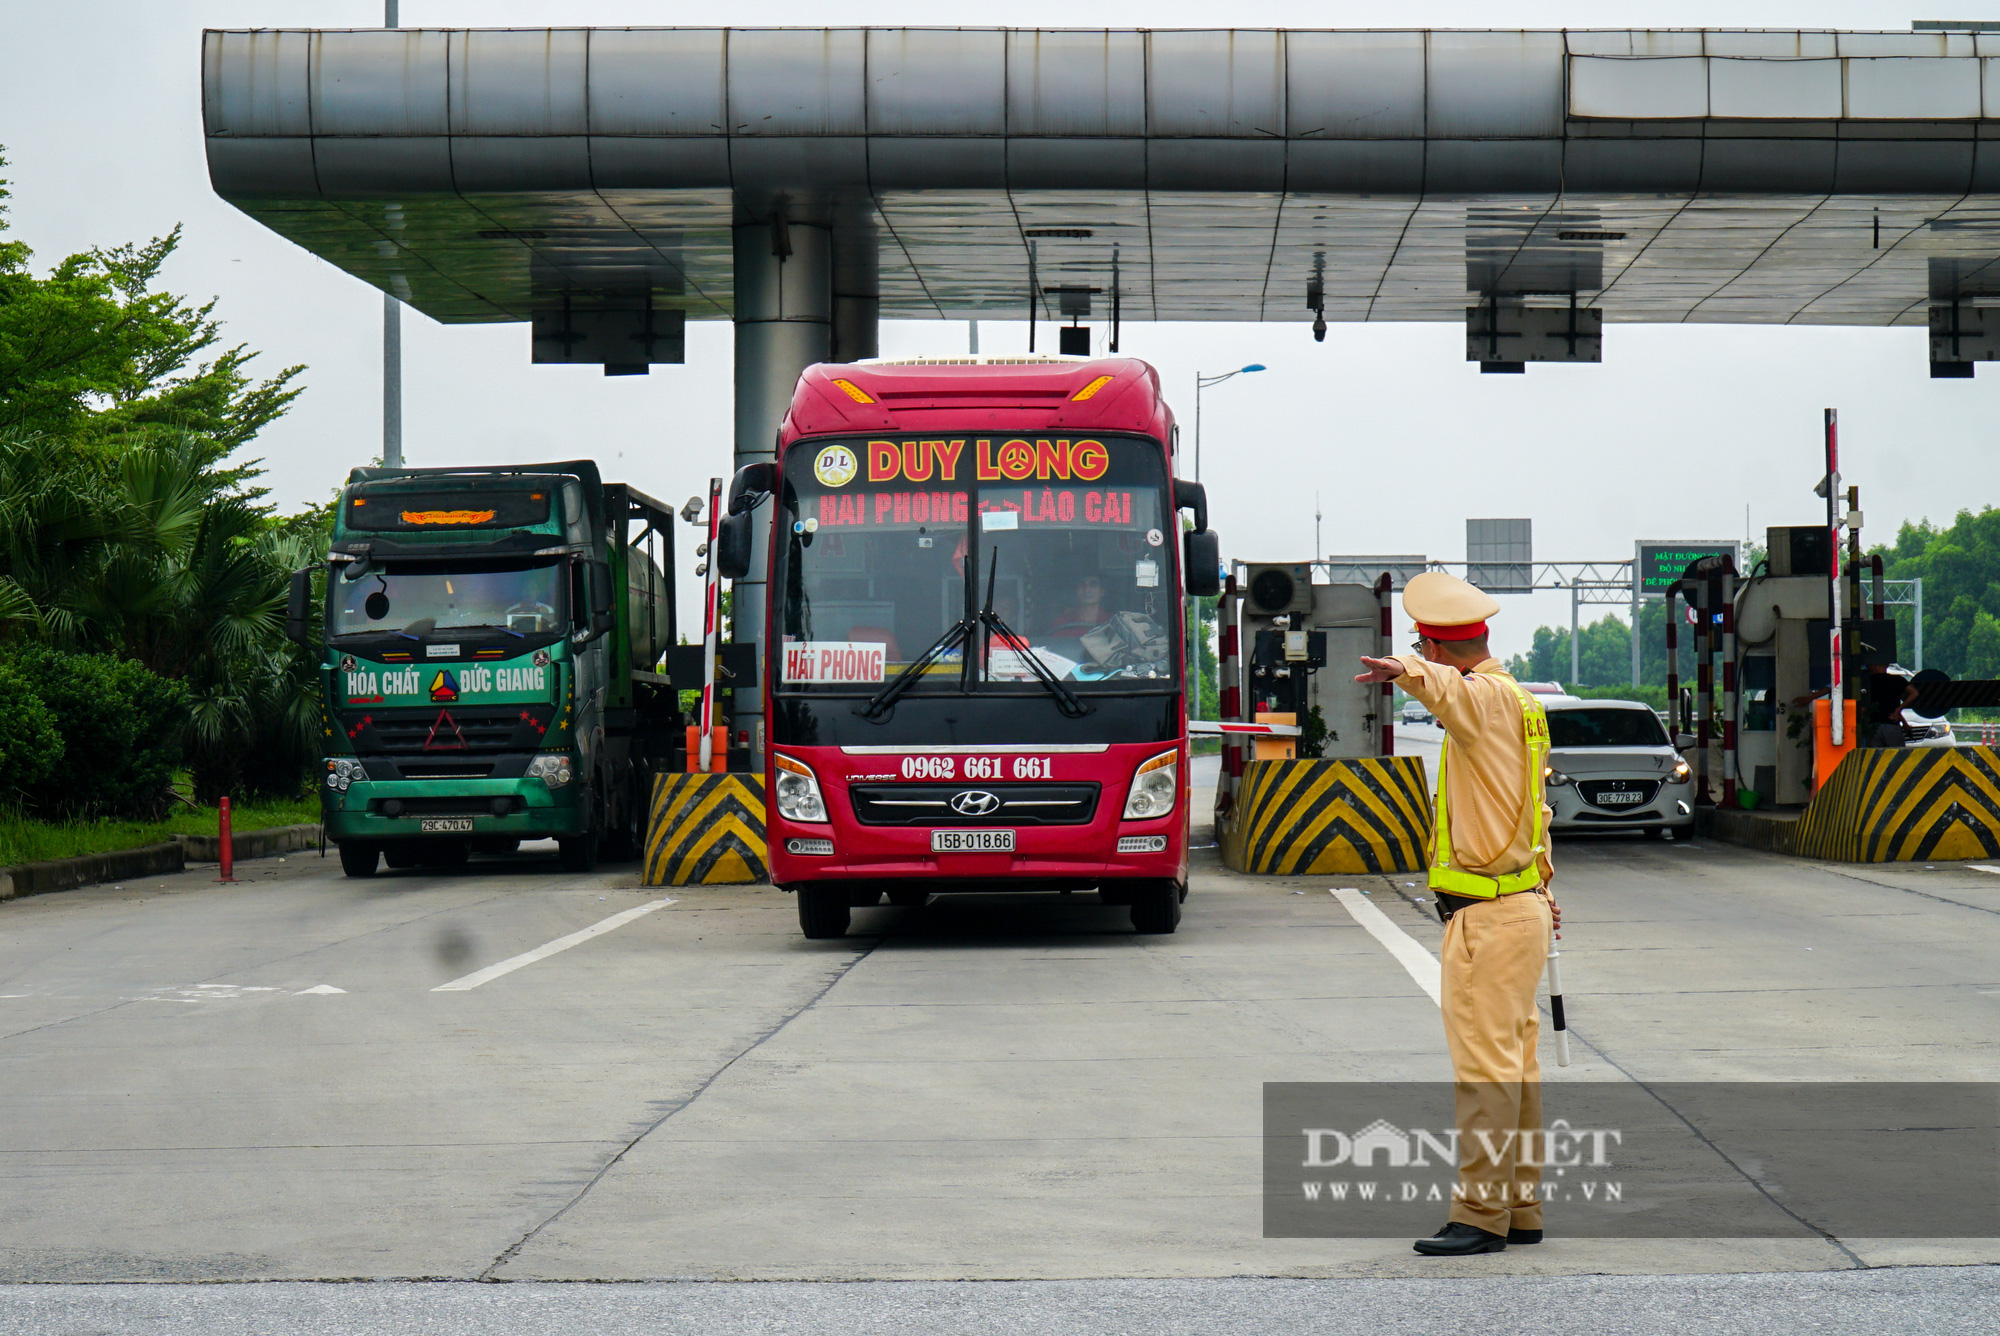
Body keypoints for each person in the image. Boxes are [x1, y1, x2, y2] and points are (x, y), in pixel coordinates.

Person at [1354, 571, 1562, 1257]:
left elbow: (1450, 693)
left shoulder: (1482, 698)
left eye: (1424, 647)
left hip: (1489, 917)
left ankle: (1479, 1214)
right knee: (1518, 1070)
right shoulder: (1524, 705)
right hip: (1522, 907)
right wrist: (1545, 890)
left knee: (1485, 1072)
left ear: (1439, 648)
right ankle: (1520, 1206)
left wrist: (1407, 671)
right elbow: (1536, 810)